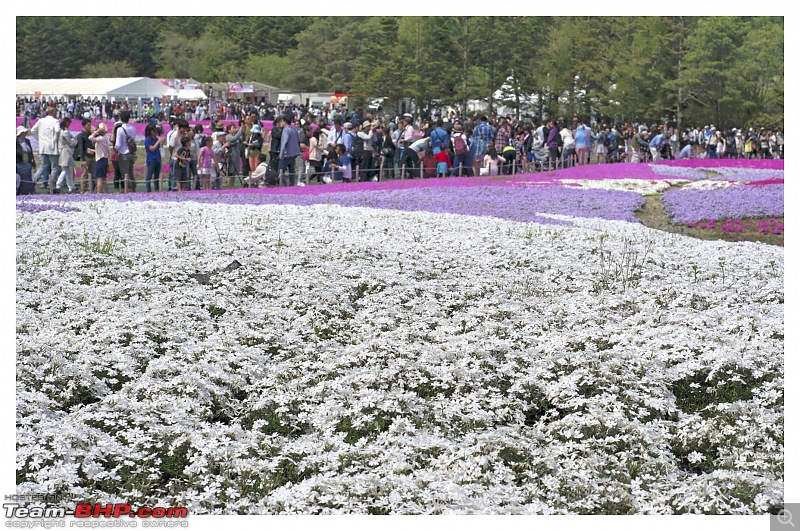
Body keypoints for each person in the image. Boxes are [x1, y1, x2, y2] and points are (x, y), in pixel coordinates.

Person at [30, 107, 60, 189]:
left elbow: (32, 130)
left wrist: (39, 139)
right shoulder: (55, 121)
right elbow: (57, 130)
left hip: (43, 146)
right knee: (54, 167)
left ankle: (33, 180)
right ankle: (52, 186)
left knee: (43, 166)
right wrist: (55, 139)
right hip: (52, 147)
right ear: (53, 112)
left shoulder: (41, 120)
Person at [115, 110, 137, 192]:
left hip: (123, 153)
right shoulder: (133, 128)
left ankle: (128, 189)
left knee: (125, 174)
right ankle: (133, 188)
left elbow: (118, 144)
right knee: (131, 172)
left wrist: (114, 149)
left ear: (120, 118)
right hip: (131, 153)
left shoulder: (120, 129)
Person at [55, 117, 78, 193]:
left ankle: (71, 187)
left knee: (67, 170)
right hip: (66, 152)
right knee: (65, 169)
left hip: (62, 151)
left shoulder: (61, 131)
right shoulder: (65, 132)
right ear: (67, 123)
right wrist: (75, 140)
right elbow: (71, 144)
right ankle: (58, 185)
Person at [279, 114, 302, 186]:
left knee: (280, 170)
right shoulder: (294, 129)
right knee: (292, 170)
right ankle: (292, 184)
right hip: (294, 153)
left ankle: (285, 185)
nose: (280, 123)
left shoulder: (286, 130)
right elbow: (298, 141)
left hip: (287, 154)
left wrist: (281, 153)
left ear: (284, 122)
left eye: (281, 121)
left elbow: (284, 142)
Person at [75, 119, 96, 193]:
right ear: (84, 126)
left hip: (92, 156)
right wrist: (83, 159)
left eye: (90, 125)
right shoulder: (81, 135)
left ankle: (90, 189)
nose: (90, 127)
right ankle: (83, 190)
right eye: (88, 125)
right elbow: (80, 148)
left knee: (92, 174)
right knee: (85, 174)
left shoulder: (92, 135)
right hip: (86, 157)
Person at [89, 122, 110, 194]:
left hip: (100, 159)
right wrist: (94, 151)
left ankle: (99, 193)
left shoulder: (100, 138)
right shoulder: (106, 137)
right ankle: (107, 192)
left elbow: (90, 137)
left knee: (99, 178)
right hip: (104, 158)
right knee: (103, 178)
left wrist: (96, 131)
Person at [16, 126, 36, 195]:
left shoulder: (27, 141)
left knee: (28, 177)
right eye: (24, 133)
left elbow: (30, 152)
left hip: (27, 162)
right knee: (21, 178)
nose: (25, 134)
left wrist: (33, 161)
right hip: (19, 163)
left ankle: (29, 191)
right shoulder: (16, 141)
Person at [143, 124, 164, 192]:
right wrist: (158, 142)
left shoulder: (156, 139)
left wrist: (161, 143)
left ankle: (156, 189)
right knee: (149, 175)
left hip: (157, 159)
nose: (155, 132)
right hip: (151, 159)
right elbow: (152, 148)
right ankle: (148, 190)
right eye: (153, 130)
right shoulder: (147, 140)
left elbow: (159, 147)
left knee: (156, 176)